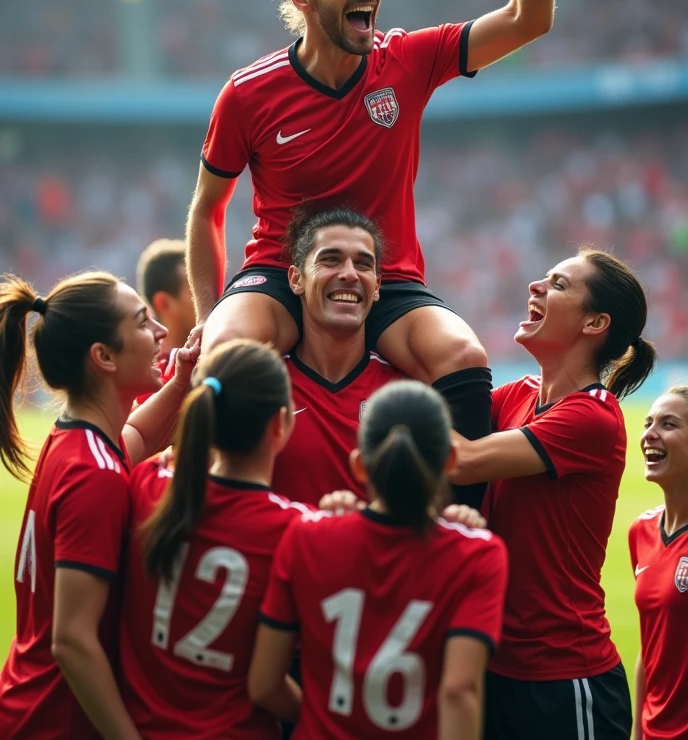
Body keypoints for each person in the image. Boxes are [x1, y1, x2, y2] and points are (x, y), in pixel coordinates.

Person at [187, 0, 555, 473]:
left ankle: (450, 528)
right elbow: (207, 211)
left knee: (463, 355)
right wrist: (205, 316)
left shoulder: (408, 59)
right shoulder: (248, 93)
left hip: (388, 277)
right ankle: (218, 515)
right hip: (279, 272)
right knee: (223, 354)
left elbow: (529, 20)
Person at [448, 248, 656, 740]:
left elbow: (461, 457)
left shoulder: (593, 417)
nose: (535, 288)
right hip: (497, 665)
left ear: (595, 323)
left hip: (566, 677)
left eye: (559, 285)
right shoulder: (517, 396)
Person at [249, 379, 508, 740]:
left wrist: (317, 719)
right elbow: (458, 691)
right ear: (450, 460)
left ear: (359, 464)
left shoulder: (307, 536)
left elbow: (263, 685)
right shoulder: (478, 554)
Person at [0, 271, 199, 740]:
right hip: (53, 721)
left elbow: (136, 439)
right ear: (104, 356)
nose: (161, 333)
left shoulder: (75, 441)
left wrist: (181, 382)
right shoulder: (95, 476)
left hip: (26, 702)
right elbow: (71, 641)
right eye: (143, 322)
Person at [119, 338, 312, 739]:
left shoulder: (147, 486)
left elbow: (127, 442)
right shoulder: (297, 531)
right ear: (281, 424)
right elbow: (268, 687)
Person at [272, 206, 403, 506]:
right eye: (330, 260)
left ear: (378, 285)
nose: (349, 274)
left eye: (363, 264)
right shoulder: (264, 388)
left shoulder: (404, 393)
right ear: (296, 279)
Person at [629, 385, 688, 740]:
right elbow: (649, 648)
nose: (649, 433)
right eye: (648, 422)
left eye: (668, 424)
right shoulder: (642, 530)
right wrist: (638, 731)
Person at [136, 238, 196, 361]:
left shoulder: (216, 356)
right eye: (195, 291)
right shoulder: (149, 376)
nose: (209, 298)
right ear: (163, 304)